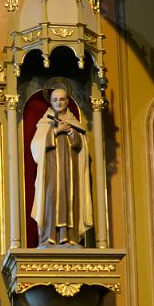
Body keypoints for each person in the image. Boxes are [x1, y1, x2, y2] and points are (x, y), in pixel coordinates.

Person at [29, 87, 93, 247]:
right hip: (50, 172)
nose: (59, 102)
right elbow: (36, 147)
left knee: (69, 201)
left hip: (70, 172)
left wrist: (72, 133)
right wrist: (56, 132)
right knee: (50, 201)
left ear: (67, 101)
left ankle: (68, 238)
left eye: (62, 99)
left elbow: (81, 148)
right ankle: (48, 238)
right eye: (55, 100)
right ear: (50, 102)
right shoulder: (46, 122)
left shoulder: (74, 122)